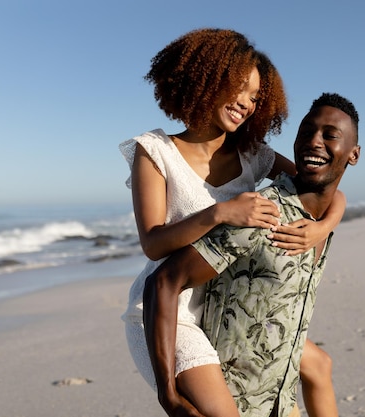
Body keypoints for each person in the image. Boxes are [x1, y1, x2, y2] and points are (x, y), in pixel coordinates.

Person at [120, 29, 343, 417]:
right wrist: (219, 213)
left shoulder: (251, 154)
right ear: (205, 78)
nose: (247, 103)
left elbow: (320, 185)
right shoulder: (155, 151)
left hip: (231, 310)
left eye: (256, 96)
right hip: (171, 313)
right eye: (239, 87)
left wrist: (324, 227)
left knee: (317, 364)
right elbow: (153, 244)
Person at [144, 93, 361, 417]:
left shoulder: (319, 216)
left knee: (320, 365)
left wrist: (327, 225)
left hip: (280, 394)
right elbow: (162, 281)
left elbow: (333, 195)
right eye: (306, 132)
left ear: (354, 155)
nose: (314, 142)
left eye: (330, 135)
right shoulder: (262, 215)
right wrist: (169, 396)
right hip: (234, 400)